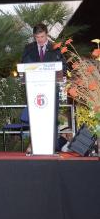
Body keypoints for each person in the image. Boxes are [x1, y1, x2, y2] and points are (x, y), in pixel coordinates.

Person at [21, 23, 66, 154]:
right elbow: (23, 66)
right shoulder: (29, 48)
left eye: (42, 36)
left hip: (51, 89)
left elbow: (63, 66)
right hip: (34, 90)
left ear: (47, 34)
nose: (40, 40)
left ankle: (51, 146)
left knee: (52, 118)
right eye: (37, 37)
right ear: (34, 36)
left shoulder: (55, 48)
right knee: (35, 119)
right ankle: (34, 144)